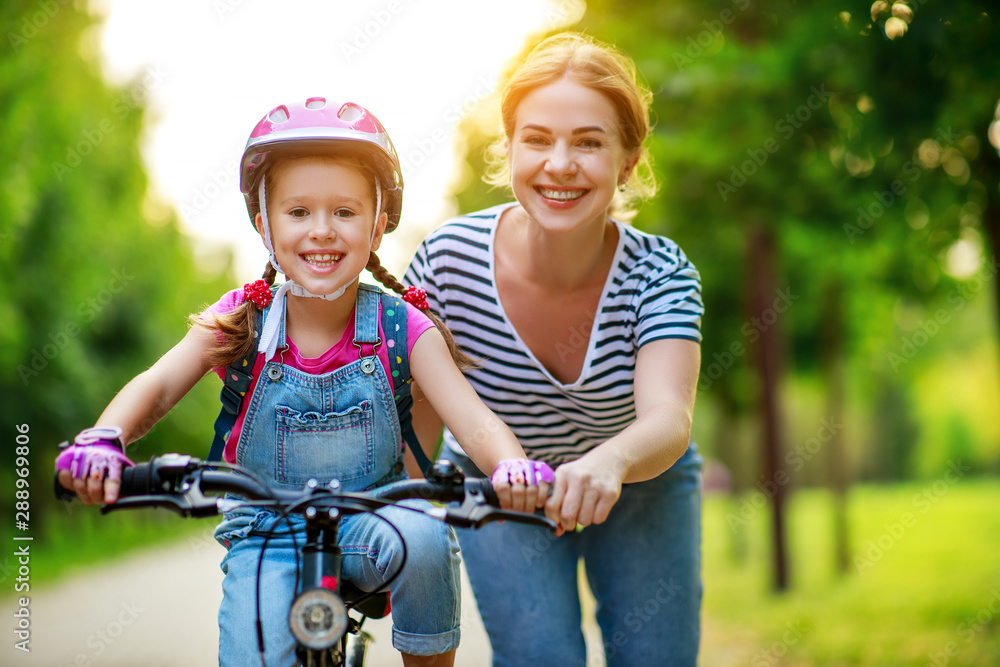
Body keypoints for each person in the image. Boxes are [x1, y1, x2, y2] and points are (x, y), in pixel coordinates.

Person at [54, 97, 553, 667]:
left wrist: (512, 467)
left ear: (378, 222)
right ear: (264, 223)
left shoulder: (403, 326)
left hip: (376, 519)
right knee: (253, 655)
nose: (322, 231)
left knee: (427, 536)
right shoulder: (242, 321)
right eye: (298, 212)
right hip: (266, 531)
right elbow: (159, 385)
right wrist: (104, 439)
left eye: (344, 211)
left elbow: (474, 419)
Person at [404, 33, 704, 666]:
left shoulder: (661, 273)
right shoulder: (445, 264)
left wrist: (610, 463)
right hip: (496, 487)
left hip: (638, 479)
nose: (560, 164)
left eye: (589, 142)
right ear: (509, 147)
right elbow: (419, 432)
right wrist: (395, 524)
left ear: (628, 160)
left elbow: (669, 420)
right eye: (537, 139)